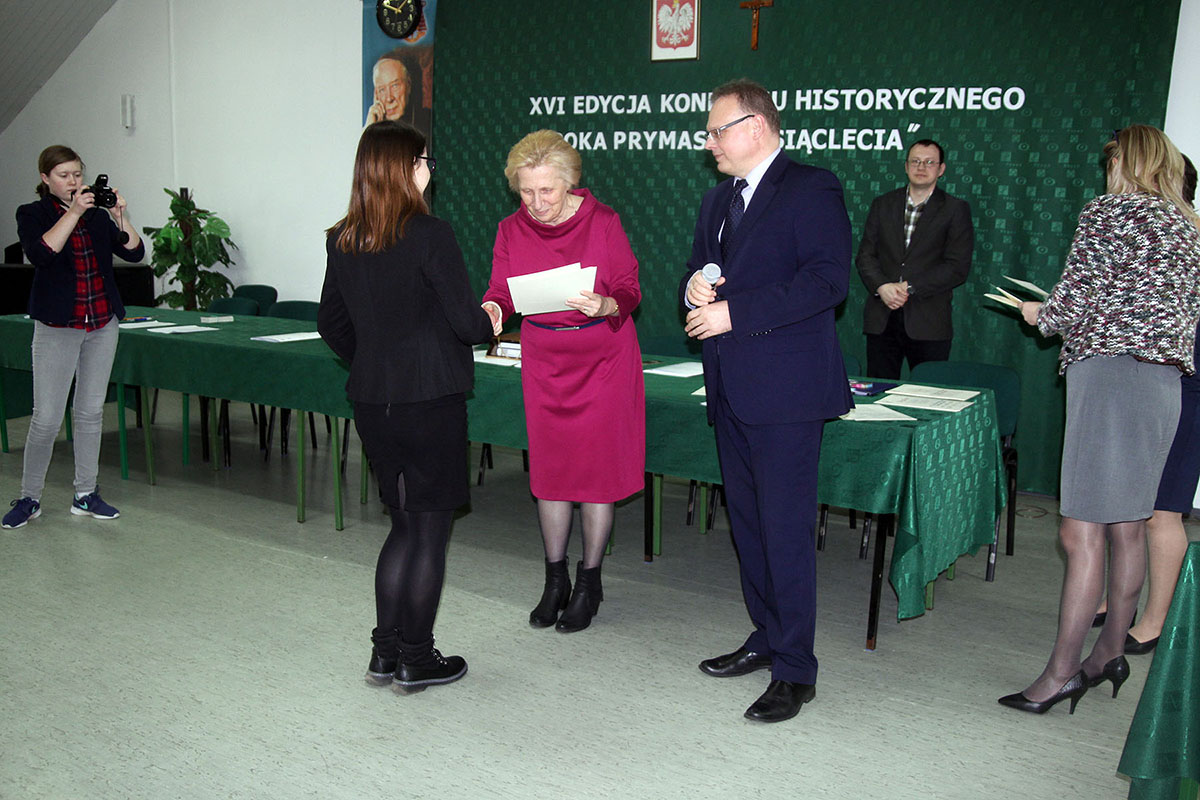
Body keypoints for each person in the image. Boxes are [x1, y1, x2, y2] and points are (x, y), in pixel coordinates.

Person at [1000, 125, 1200, 714]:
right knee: (1129, 525)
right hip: (1163, 385)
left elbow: (1072, 302)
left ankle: (1062, 673)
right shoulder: (1188, 225)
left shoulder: (1109, 212)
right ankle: (1109, 651)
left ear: (1125, 164)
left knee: (1080, 531)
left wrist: (1039, 313)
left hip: (1110, 379)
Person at [680, 79, 852, 723]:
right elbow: (700, 272)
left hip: (787, 393)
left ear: (755, 126)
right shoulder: (716, 200)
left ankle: (796, 669)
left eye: (716, 130)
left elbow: (827, 282)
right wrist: (693, 288)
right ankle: (767, 636)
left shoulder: (811, 188)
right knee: (749, 528)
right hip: (730, 386)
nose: (709, 143)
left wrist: (735, 313)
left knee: (784, 531)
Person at [318, 121, 495, 692]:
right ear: (403, 167)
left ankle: (384, 654)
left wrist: (374, 357)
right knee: (428, 533)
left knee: (401, 527)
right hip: (430, 400)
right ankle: (416, 658)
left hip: (374, 401)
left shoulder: (344, 237)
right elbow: (468, 324)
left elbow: (330, 323)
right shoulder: (429, 233)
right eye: (424, 160)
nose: (428, 170)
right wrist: (493, 317)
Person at [482, 129, 645, 634]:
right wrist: (493, 308)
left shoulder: (603, 221)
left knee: (597, 475)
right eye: (526, 192)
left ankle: (589, 581)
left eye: (546, 191)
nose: (536, 203)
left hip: (603, 360)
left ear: (569, 183)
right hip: (545, 361)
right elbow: (500, 290)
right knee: (551, 473)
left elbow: (629, 288)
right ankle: (555, 580)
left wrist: (607, 304)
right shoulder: (511, 229)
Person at [2, 146, 144, 530]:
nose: (73, 182)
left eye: (77, 174)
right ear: (45, 178)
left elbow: (134, 253)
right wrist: (74, 212)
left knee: (90, 412)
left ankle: (85, 493)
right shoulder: (32, 213)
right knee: (47, 418)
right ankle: (29, 498)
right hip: (57, 326)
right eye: (64, 175)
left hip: (101, 322)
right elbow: (42, 254)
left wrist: (120, 217)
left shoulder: (97, 215)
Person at [1093, 154, 1200, 656]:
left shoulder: (1187, 237)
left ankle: (1156, 620)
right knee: (1126, 506)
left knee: (1162, 511)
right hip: (1149, 384)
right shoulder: (1156, 232)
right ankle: (1120, 603)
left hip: (1188, 388)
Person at [856, 139, 974, 378]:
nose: (921, 167)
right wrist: (882, 286)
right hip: (882, 318)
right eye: (916, 161)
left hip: (928, 321)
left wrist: (908, 287)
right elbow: (865, 256)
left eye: (929, 162)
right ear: (906, 166)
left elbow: (957, 267)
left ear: (941, 169)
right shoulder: (883, 204)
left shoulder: (955, 209)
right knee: (879, 392)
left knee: (928, 392)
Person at [365, 55, 411, 124]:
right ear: (376, 95)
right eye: (382, 90)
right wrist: (370, 126)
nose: (389, 99)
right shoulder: (373, 122)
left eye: (395, 86)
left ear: (408, 85)